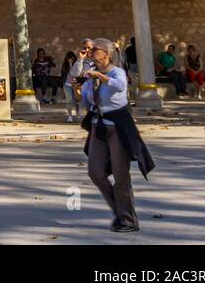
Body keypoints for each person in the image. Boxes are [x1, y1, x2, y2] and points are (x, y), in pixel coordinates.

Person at [80, 37, 154, 232]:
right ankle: (120, 211)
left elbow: (120, 86)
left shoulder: (117, 71)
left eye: (95, 49)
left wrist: (101, 77)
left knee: (121, 175)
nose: (91, 52)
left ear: (107, 53)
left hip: (117, 127)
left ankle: (128, 220)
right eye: (90, 49)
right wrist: (86, 86)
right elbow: (87, 103)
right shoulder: (91, 75)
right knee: (95, 172)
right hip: (98, 125)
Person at [65, 40, 95, 122]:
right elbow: (75, 73)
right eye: (85, 48)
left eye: (89, 47)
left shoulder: (98, 59)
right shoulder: (81, 61)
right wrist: (80, 59)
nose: (87, 50)